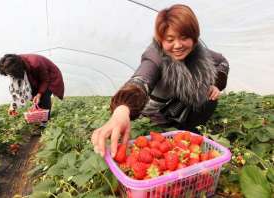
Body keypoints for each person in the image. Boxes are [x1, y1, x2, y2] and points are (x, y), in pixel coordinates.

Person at [91, 4, 229, 157]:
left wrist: (217, 83)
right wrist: (123, 109)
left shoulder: (200, 53)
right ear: (161, 40)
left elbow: (222, 61)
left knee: (210, 99)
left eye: (184, 38)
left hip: (179, 106)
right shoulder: (155, 56)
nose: (177, 45)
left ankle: (190, 129)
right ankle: (173, 130)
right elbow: (141, 80)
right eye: (170, 39)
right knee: (161, 139)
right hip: (157, 116)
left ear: (194, 38)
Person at [0, 53, 64, 127]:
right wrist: (13, 106)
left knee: (44, 97)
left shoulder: (35, 62)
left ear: (18, 70)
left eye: (11, 74)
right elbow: (17, 90)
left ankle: (44, 124)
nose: (11, 76)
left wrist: (39, 94)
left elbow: (45, 80)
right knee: (35, 98)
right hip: (35, 77)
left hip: (50, 77)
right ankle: (39, 117)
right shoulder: (13, 65)